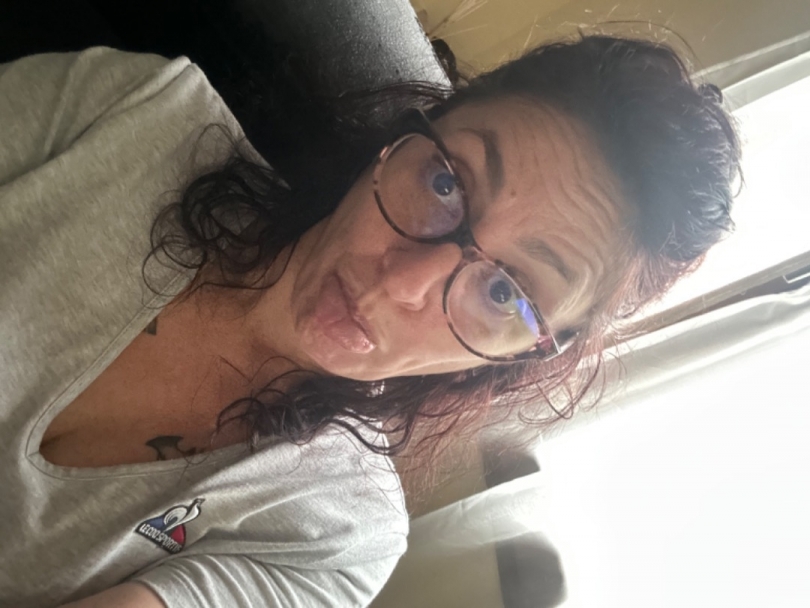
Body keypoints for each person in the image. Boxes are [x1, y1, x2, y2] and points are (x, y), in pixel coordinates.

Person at [0, 34, 740, 607]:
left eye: (504, 293)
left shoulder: (336, 535)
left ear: (517, 358)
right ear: (404, 135)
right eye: (445, 183)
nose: (402, 284)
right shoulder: (133, 112)